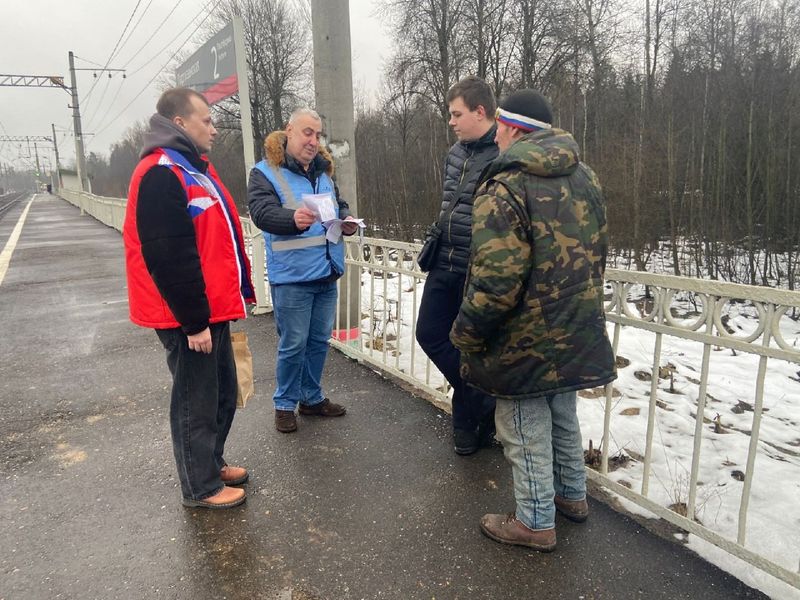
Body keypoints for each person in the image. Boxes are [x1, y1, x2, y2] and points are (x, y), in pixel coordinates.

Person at [450, 89, 617, 551]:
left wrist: (466, 332)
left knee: (522, 427)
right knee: (563, 413)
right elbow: (598, 252)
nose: (498, 135)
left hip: (523, 335)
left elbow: (496, 281)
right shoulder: (585, 176)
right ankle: (572, 498)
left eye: (501, 127)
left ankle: (535, 521)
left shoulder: (504, 186)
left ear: (512, 128)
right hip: (576, 323)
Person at [123, 88, 256, 509]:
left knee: (220, 393)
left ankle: (211, 463)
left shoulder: (192, 167)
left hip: (212, 307)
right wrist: (194, 320)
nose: (215, 129)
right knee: (194, 401)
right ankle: (200, 487)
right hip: (189, 315)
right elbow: (169, 254)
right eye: (207, 120)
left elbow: (218, 241)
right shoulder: (162, 172)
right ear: (179, 123)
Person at [248, 108, 358, 433]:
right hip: (293, 277)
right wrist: (290, 221)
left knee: (318, 342)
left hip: (326, 271)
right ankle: (284, 404)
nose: (314, 141)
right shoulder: (266, 172)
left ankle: (311, 399)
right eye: (307, 132)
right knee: (293, 343)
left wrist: (347, 219)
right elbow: (261, 212)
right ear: (289, 131)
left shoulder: (324, 172)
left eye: (318, 134)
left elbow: (339, 204)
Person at [415, 76, 499, 456]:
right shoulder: (455, 152)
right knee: (429, 334)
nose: (451, 121)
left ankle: (467, 428)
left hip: (475, 268)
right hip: (443, 260)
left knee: (471, 347)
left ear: (480, 112)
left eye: (456, 114)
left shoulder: (502, 153)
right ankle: (483, 403)